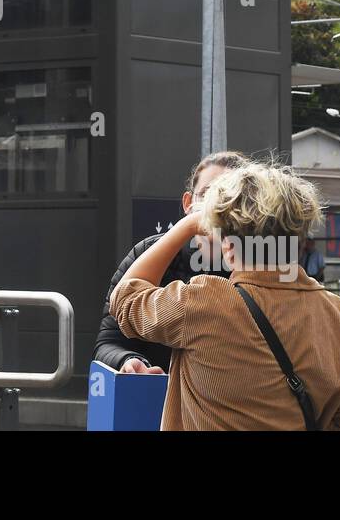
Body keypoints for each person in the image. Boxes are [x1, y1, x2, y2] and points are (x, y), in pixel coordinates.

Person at [110, 163, 340, 430]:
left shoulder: (205, 302)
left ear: (228, 246)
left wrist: (186, 227)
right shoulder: (337, 314)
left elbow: (125, 298)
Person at [93, 151, 247, 375]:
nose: (216, 207)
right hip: (156, 395)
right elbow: (109, 340)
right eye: (207, 194)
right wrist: (130, 361)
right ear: (188, 202)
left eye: (229, 198)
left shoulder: (257, 262)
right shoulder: (148, 252)